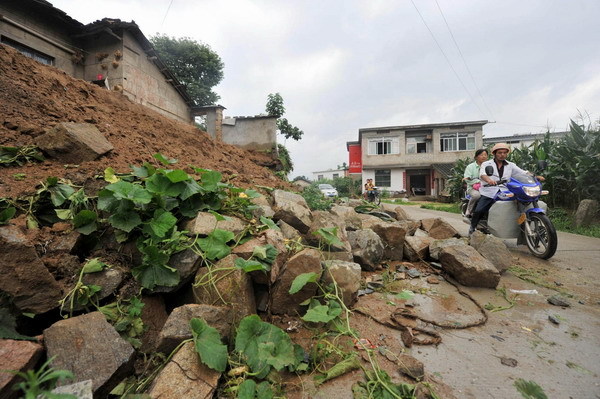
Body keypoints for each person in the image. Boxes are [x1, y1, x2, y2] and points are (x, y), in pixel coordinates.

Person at [469, 143, 545, 235]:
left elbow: (523, 173)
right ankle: (472, 228)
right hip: (489, 190)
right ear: (494, 153)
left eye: (505, 153)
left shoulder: (511, 165)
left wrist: (535, 176)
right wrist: (489, 180)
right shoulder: (486, 164)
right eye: (500, 153)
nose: (502, 155)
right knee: (479, 210)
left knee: (521, 201)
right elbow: (483, 174)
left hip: (505, 190)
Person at [462, 149, 489, 217]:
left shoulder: (489, 166)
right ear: (476, 157)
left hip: (488, 187)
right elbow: (467, 179)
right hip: (473, 188)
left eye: (485, 155)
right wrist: (479, 182)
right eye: (481, 155)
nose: (484, 156)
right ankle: (469, 210)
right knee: (477, 195)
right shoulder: (470, 167)